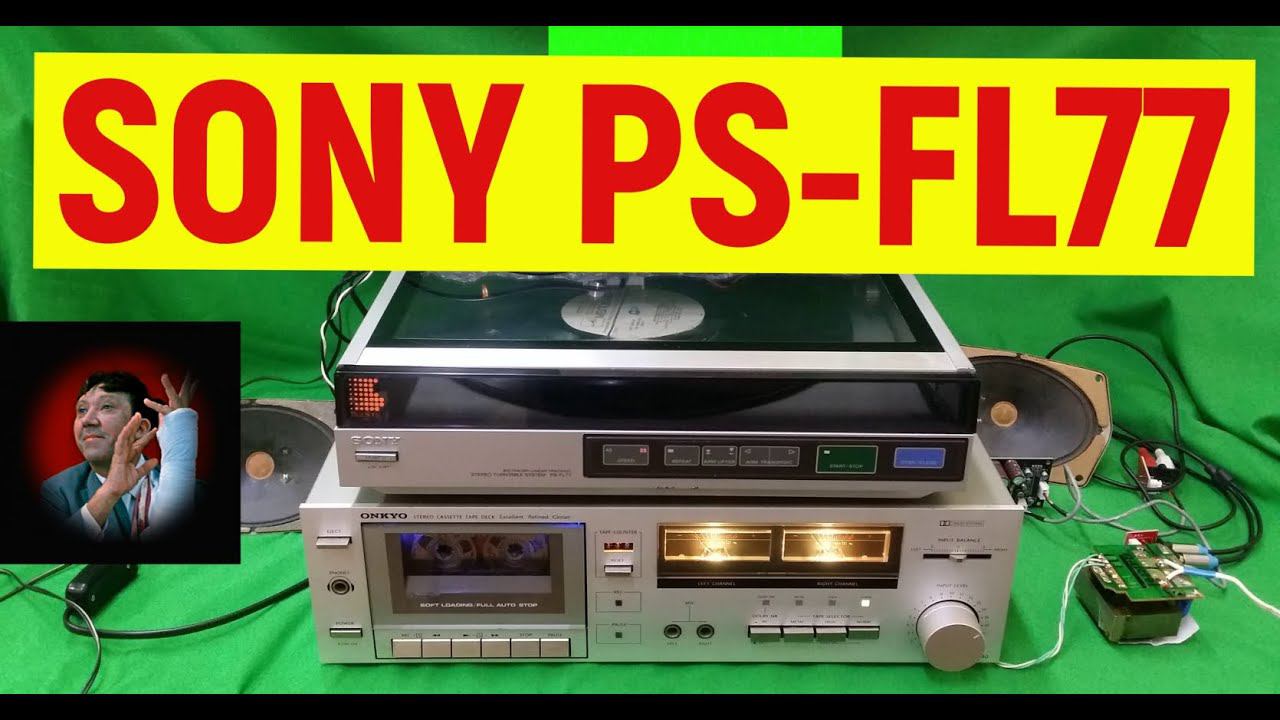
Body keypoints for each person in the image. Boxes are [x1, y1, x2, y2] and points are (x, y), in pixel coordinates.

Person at [40, 370, 199, 542]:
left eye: (106, 407)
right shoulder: (58, 492)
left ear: (140, 429)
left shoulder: (195, 493)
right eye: (82, 410)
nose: (87, 420)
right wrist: (109, 492)